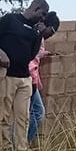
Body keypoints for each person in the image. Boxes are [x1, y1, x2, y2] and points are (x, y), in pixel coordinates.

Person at [0, 0, 53, 151]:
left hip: (25, 78)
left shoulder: (34, 30)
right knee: (6, 117)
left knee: (23, 118)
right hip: (8, 76)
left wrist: (39, 35)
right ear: (36, 8)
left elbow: (31, 55)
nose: (42, 19)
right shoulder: (10, 20)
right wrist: (1, 53)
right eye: (42, 14)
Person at [27, 13, 59, 144]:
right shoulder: (36, 34)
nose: (51, 35)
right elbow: (32, 54)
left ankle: (19, 145)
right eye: (51, 31)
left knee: (26, 114)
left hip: (30, 78)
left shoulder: (35, 33)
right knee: (38, 113)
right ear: (46, 25)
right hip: (29, 77)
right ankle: (22, 144)